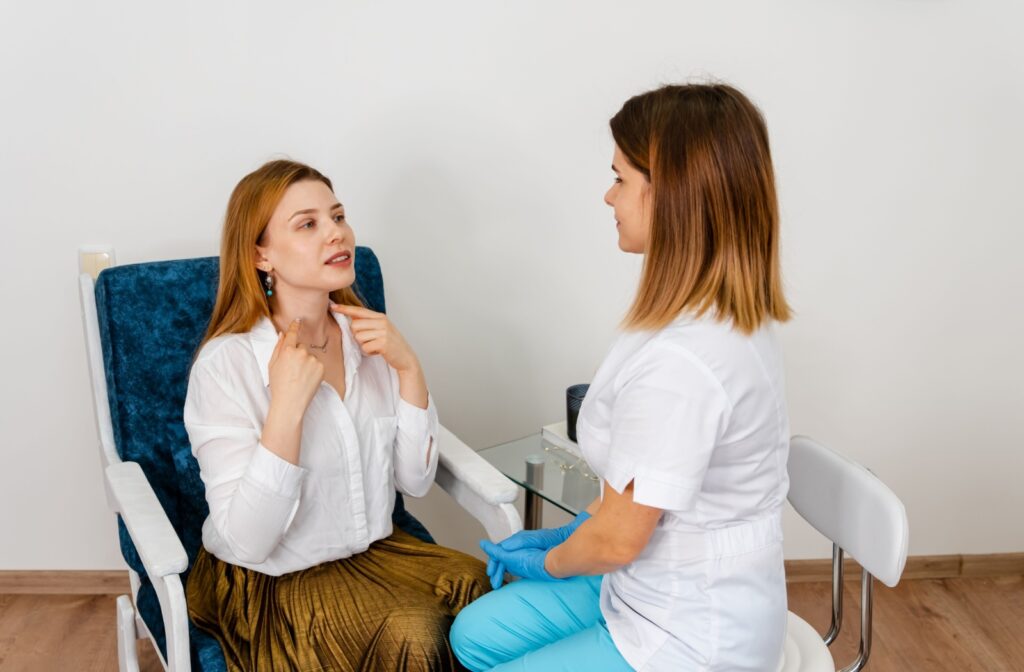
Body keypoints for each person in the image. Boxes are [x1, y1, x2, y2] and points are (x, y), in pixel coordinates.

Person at [450, 83, 793, 671]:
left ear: (673, 197)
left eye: (621, 178)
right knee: (474, 636)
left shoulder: (685, 362)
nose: (608, 196)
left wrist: (553, 560)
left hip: (690, 635)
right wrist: (573, 532)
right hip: (648, 582)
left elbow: (618, 541)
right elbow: (643, 495)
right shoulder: (704, 315)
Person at [184, 159, 488, 672]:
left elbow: (413, 483)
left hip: (373, 552)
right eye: (308, 224)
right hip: (270, 580)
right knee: (416, 633)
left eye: (338, 216)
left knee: (482, 587)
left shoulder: (368, 342)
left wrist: (409, 368)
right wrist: (286, 408)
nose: (336, 233)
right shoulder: (227, 366)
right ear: (261, 255)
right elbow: (248, 542)